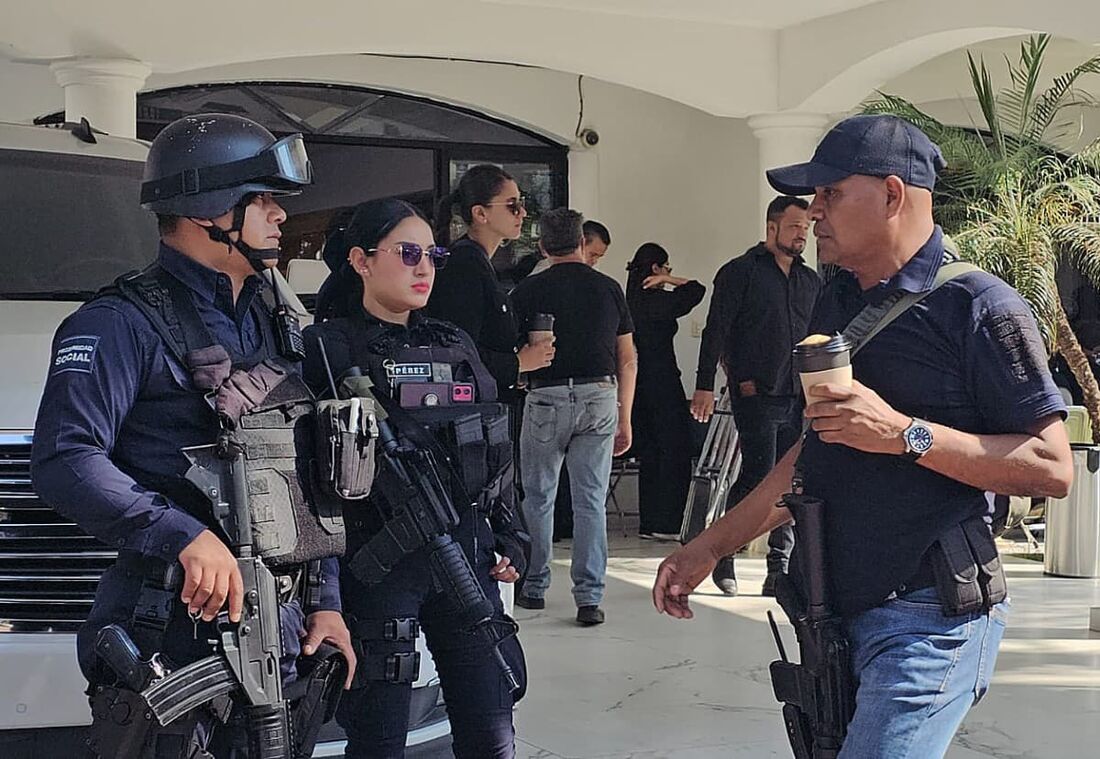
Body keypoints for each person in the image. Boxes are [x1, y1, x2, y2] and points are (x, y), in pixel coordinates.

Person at [654, 114, 1073, 759]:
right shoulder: (839, 300)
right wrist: (709, 546)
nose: (814, 212)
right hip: (836, 613)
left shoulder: (981, 307)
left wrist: (906, 435)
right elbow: (814, 451)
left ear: (891, 194)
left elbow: (1051, 467)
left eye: (830, 193)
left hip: (931, 618)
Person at [30, 113, 355, 757]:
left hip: (280, 626)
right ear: (208, 209)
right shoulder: (118, 323)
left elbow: (301, 473)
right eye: (262, 199)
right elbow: (65, 458)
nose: (280, 215)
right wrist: (183, 535)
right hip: (171, 624)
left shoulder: (278, 324)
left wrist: (326, 600)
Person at [303, 198, 528, 758]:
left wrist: (512, 534)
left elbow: (495, 445)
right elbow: (307, 479)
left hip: (464, 555)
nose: (424, 267)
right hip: (378, 565)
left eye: (432, 255)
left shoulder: (454, 342)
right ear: (361, 260)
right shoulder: (327, 349)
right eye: (408, 254)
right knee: (378, 741)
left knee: (491, 734)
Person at [510, 208, 637, 625]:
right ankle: (589, 598)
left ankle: (534, 586)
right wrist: (625, 417)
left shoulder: (527, 291)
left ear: (543, 247)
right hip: (599, 395)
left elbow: (513, 352)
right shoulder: (609, 288)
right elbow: (627, 359)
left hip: (545, 396)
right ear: (583, 242)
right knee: (590, 501)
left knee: (538, 497)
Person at [690, 195, 820, 596]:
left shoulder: (810, 281)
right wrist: (704, 385)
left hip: (799, 397)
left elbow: (820, 338)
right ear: (771, 227)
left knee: (794, 480)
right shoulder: (740, 272)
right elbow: (716, 331)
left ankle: (779, 567)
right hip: (756, 392)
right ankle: (724, 554)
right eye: (794, 226)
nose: (802, 234)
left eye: (806, 228)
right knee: (756, 475)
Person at [425, 164, 554, 398]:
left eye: (521, 203)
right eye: (512, 205)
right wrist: (518, 363)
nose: (522, 213)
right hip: (471, 405)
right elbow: (456, 348)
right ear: (480, 213)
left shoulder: (478, 262)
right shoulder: (465, 264)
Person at [626, 243, 705, 540]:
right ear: (656, 268)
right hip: (662, 381)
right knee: (674, 448)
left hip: (638, 385)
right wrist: (668, 280)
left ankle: (650, 521)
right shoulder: (656, 300)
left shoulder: (631, 300)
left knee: (651, 452)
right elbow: (696, 290)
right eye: (666, 267)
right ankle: (669, 521)